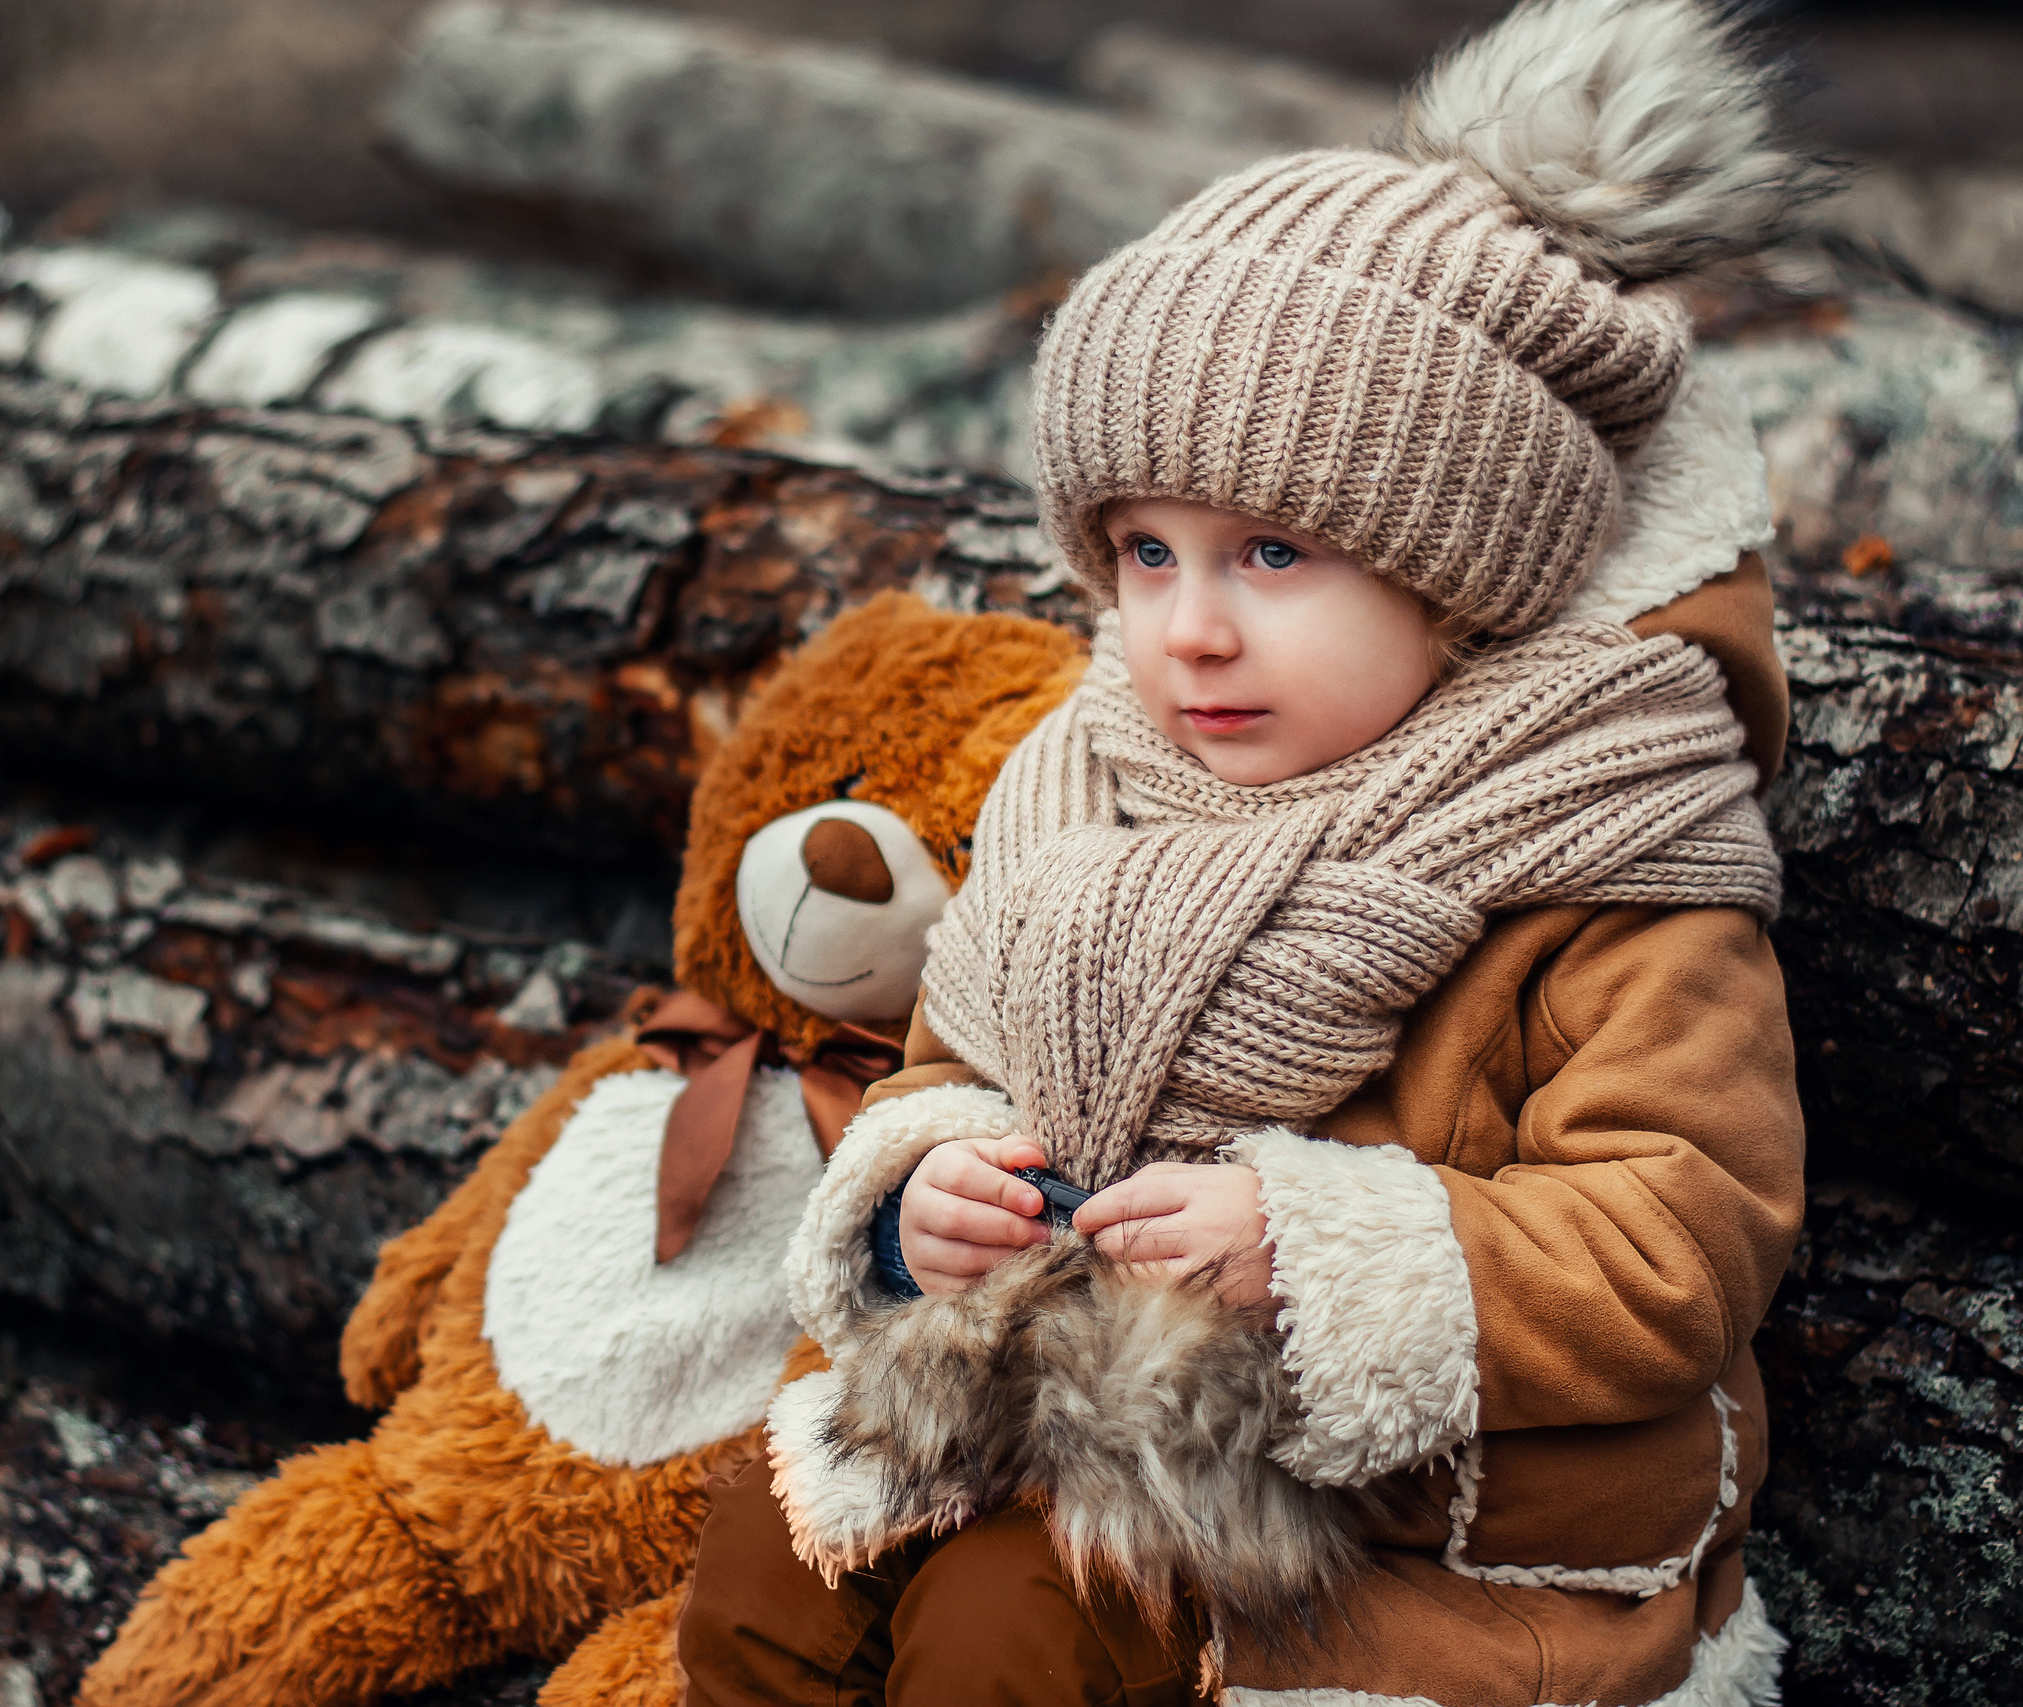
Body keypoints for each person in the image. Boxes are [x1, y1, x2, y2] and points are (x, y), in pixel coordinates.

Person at [676, 0, 1824, 1700]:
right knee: (766, 1570)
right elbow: (951, 1066)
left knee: (1006, 1639)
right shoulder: (1093, 782)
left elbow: (1684, 1240)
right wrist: (932, 1195)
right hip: (1060, 1414)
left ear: (1460, 575)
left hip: (1421, 1535)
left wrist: (1316, 1251)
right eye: (1145, 552)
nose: (1188, 631)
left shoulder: (1612, 855)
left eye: (1273, 554)